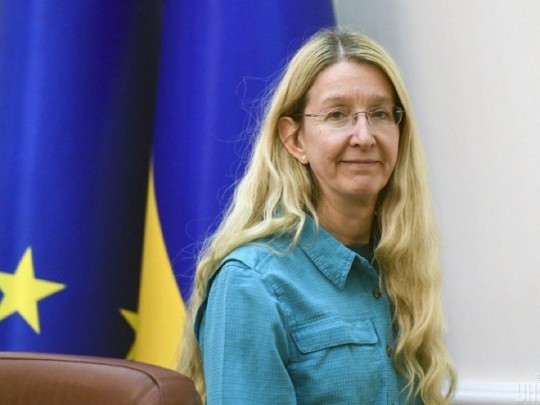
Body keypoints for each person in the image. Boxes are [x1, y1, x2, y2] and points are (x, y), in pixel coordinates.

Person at [179, 29, 456, 404]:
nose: (364, 136)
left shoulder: (401, 266)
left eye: (379, 114)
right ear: (295, 139)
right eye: (337, 115)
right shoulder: (251, 284)